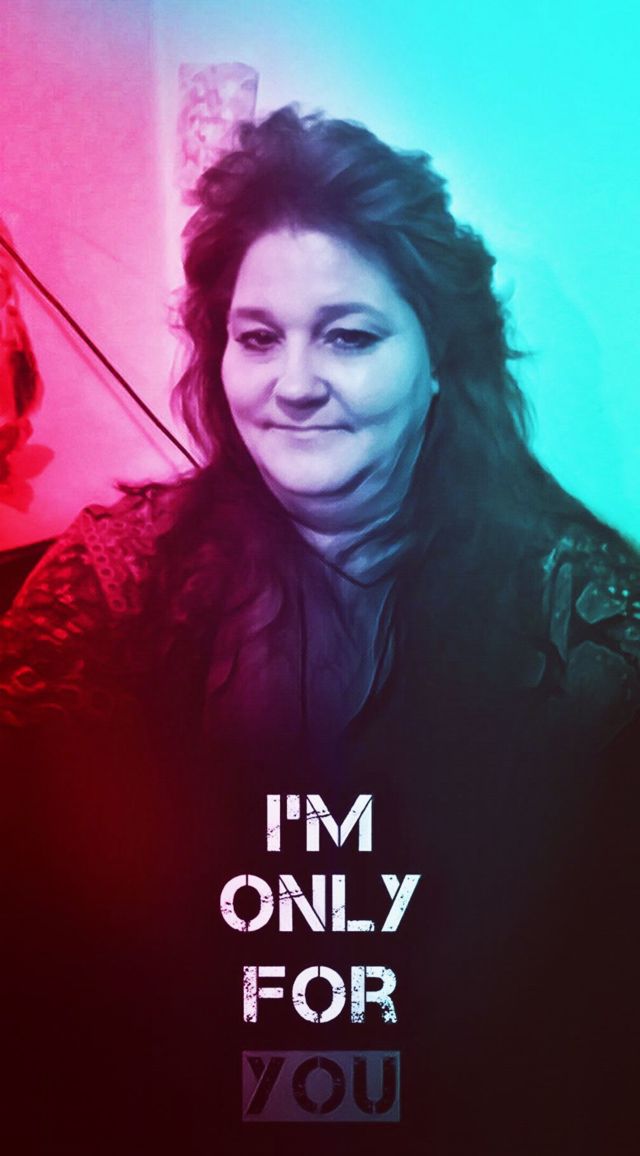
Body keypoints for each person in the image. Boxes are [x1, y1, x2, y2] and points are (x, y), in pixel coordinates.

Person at [2, 106, 639, 1156]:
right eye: (258, 338)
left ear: (437, 359)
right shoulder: (109, 590)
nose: (293, 385)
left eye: (350, 335)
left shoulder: (587, 620)